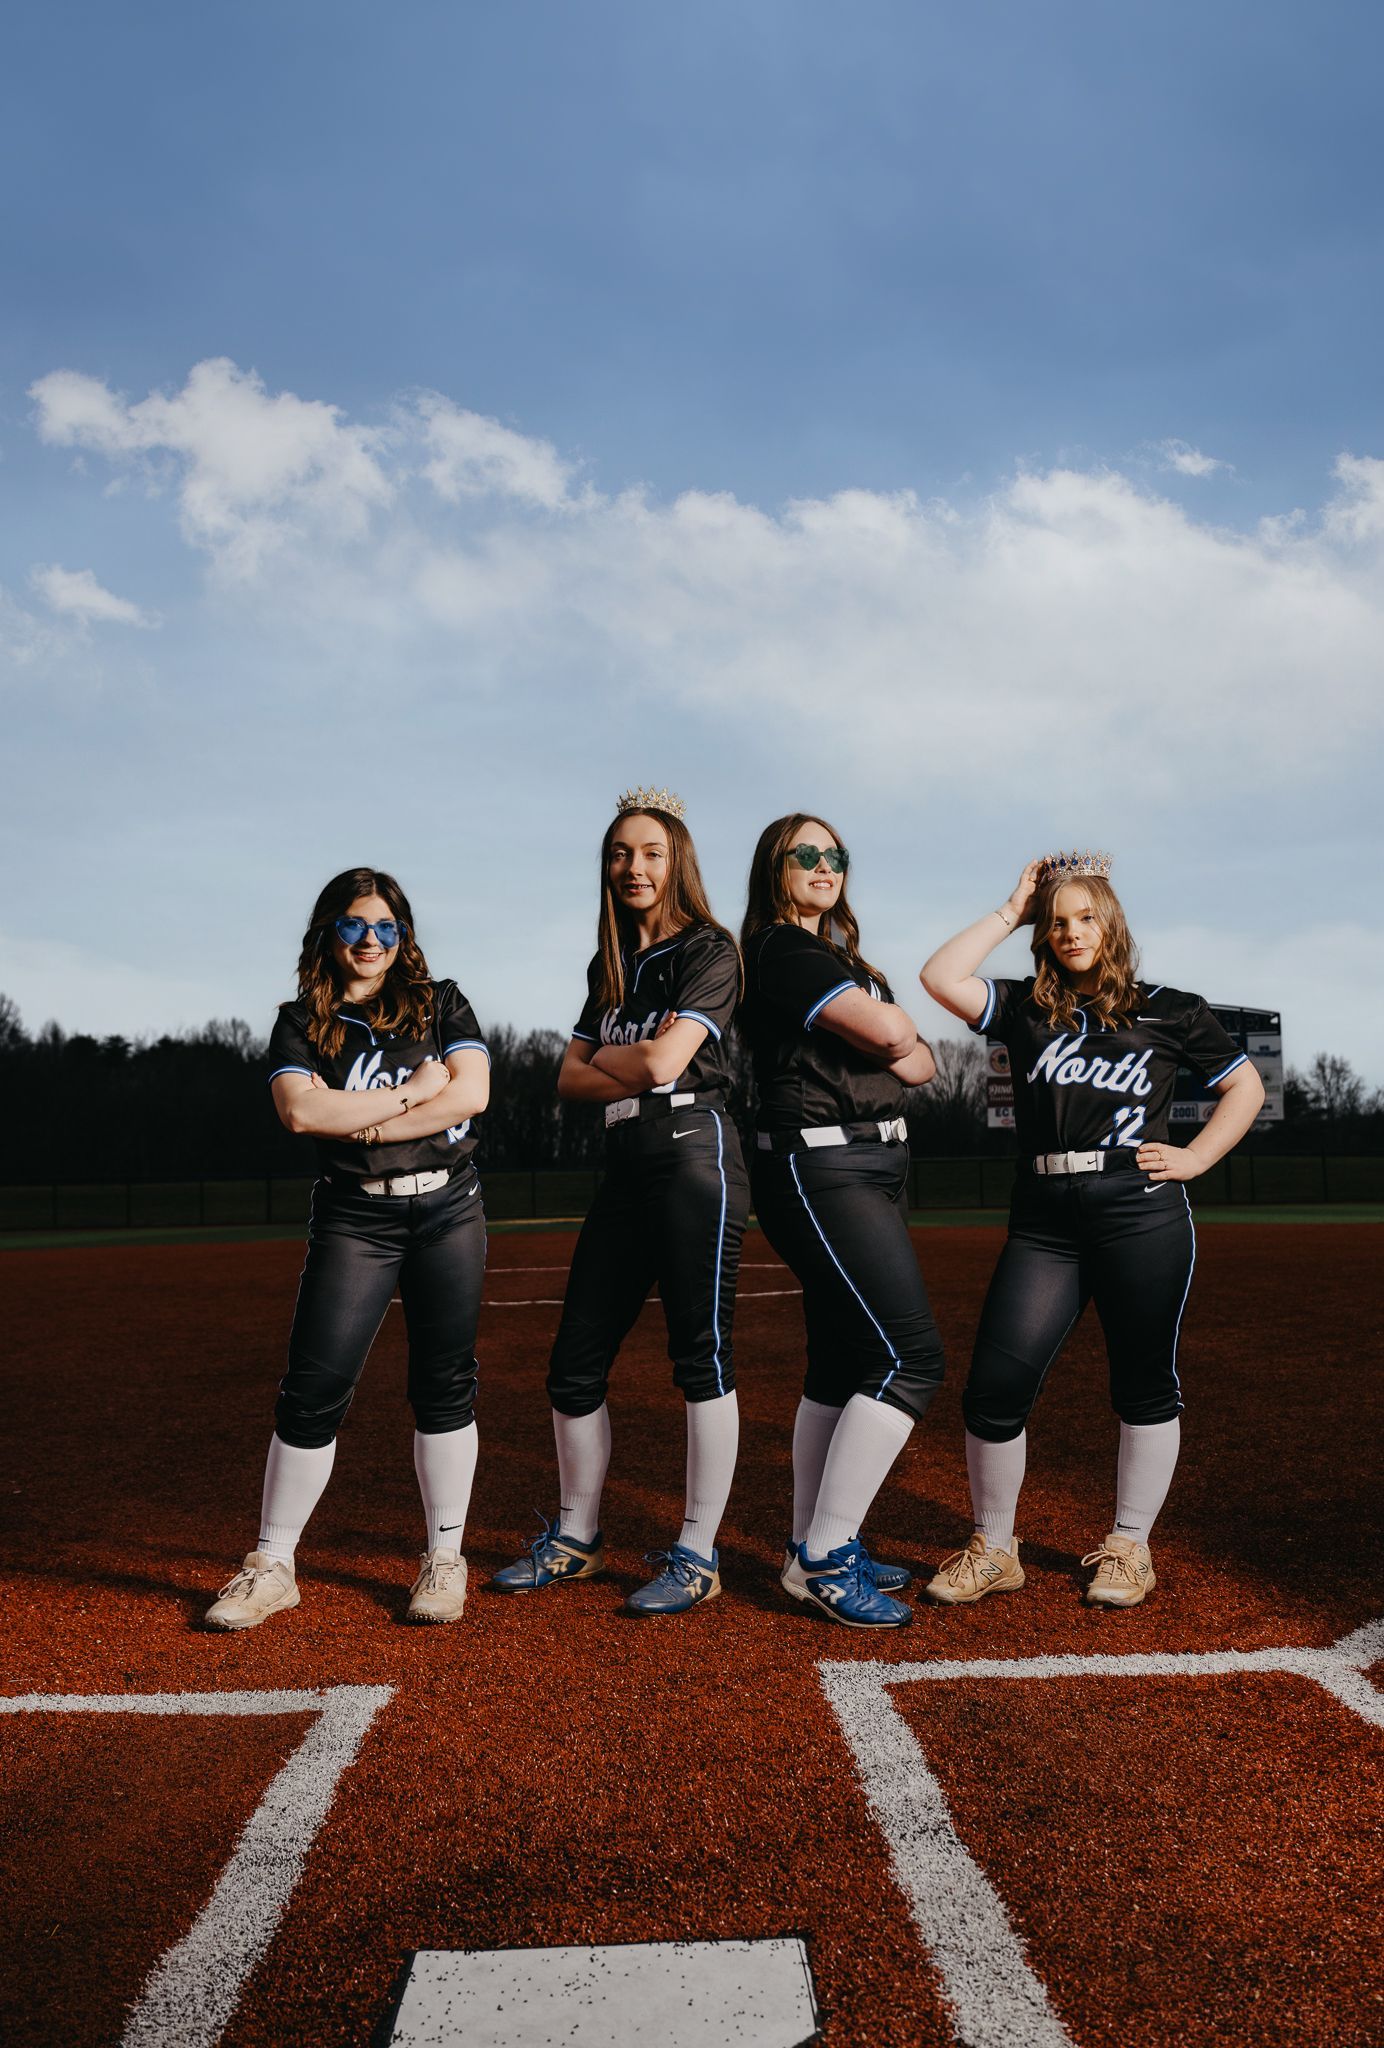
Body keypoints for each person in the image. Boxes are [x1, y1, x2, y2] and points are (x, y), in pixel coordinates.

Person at [919, 852, 1265, 1608]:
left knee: (1143, 1382)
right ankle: (996, 1545)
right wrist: (1011, 908)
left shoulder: (1172, 1008)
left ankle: (1129, 1546)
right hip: (1044, 1217)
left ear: (1110, 925)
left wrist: (1198, 1155)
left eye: (1084, 918)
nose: (1071, 933)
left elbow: (1245, 1085)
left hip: (1138, 1207)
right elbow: (940, 977)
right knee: (995, 1387)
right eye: (1056, 922)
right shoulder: (1024, 1007)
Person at [205, 868, 491, 1631]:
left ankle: (444, 1557)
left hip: (447, 1209)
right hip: (354, 1219)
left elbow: (469, 1095)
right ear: (329, 934)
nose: (371, 941)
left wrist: (357, 1123)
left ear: (404, 937)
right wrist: (406, 1097)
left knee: (445, 1384)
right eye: (355, 926)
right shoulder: (301, 1020)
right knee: (314, 1385)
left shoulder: (441, 1001)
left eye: (387, 928)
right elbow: (301, 1113)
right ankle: (273, 1564)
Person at [491, 788, 748, 1616]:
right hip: (625, 1163)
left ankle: (698, 1553)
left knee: (699, 1358)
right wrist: (629, 1056)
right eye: (620, 853)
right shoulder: (608, 967)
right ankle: (578, 1538)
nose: (633, 867)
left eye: (651, 853)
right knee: (574, 1362)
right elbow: (565, 1079)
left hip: (692, 1156)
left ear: (677, 864)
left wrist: (623, 1055)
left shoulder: (710, 949)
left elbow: (665, 1065)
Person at [740, 813, 944, 1630]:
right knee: (909, 1357)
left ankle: (807, 1547)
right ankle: (826, 1555)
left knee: (841, 1359)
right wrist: (886, 1035)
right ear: (776, 868)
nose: (826, 866)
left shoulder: (842, 960)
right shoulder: (780, 949)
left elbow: (924, 1064)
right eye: (807, 855)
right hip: (820, 1161)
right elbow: (899, 1037)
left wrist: (887, 1036)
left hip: (868, 1160)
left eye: (837, 856)